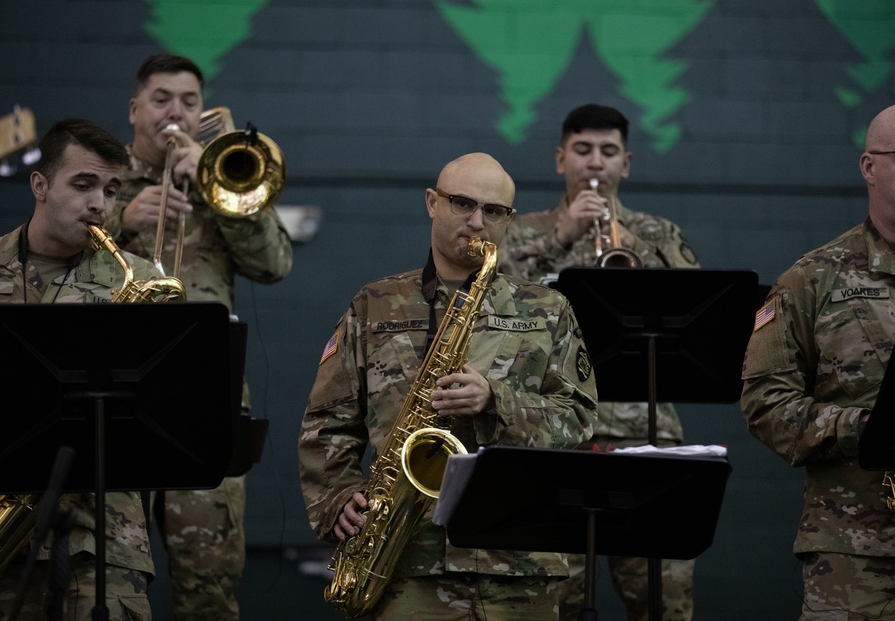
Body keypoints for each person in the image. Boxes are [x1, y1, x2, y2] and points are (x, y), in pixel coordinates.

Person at [298, 152, 598, 619]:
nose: (477, 222)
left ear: (508, 220)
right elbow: (325, 425)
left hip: (520, 566)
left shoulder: (548, 309)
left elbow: (579, 420)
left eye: (494, 211)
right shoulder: (375, 304)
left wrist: (495, 400)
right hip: (407, 565)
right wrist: (337, 499)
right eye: (463, 204)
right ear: (432, 203)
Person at [740, 102, 895, 620]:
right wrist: (869, 428)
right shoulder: (809, 280)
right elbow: (764, 404)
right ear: (869, 168)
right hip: (857, 554)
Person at [106, 53, 294, 620]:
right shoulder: (103, 176)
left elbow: (274, 264)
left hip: (203, 405)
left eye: (190, 101)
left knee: (208, 589)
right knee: (108, 582)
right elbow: (52, 255)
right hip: (114, 402)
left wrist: (219, 194)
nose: (176, 112)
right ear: (135, 108)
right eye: (162, 99)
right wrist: (121, 220)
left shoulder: (223, 169)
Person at [497, 103, 699, 621]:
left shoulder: (659, 233)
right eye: (583, 150)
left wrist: (642, 256)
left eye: (608, 153)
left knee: (663, 598)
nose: (595, 163)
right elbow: (493, 306)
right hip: (556, 436)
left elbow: (696, 310)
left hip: (644, 433)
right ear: (560, 158)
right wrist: (559, 239)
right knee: (555, 598)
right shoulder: (519, 233)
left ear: (625, 164)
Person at [0, 117, 156, 619]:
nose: (100, 202)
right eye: (83, 184)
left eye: (111, 188)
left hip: (102, 543)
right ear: (40, 185)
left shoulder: (139, 281)